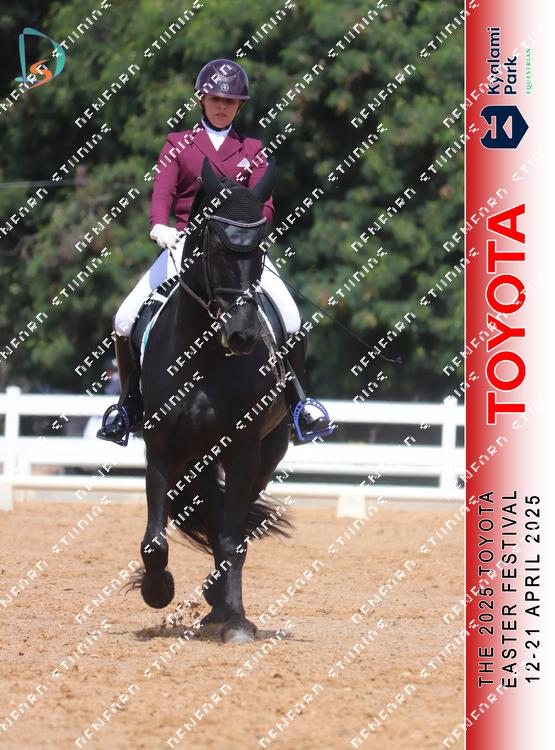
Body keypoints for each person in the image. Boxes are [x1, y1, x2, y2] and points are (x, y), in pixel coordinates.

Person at [97, 59, 332, 445]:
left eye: (230, 101)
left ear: (239, 106)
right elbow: (163, 191)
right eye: (215, 99)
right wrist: (159, 224)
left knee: (291, 319)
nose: (222, 106)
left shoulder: (253, 149)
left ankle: (299, 406)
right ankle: (129, 406)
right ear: (202, 100)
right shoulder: (178, 143)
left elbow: (264, 204)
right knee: (124, 319)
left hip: (240, 251)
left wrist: (252, 233)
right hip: (185, 244)